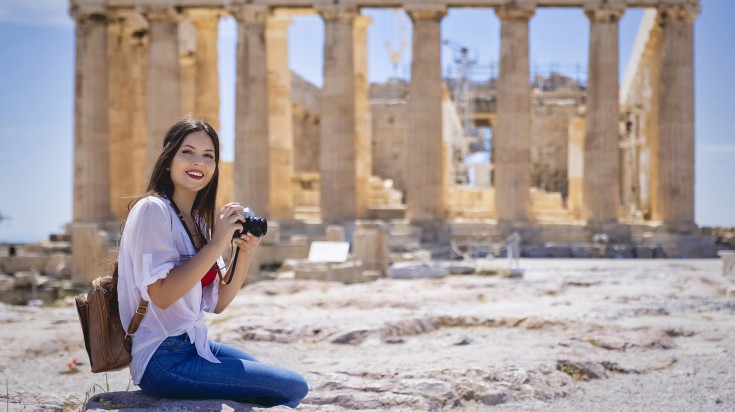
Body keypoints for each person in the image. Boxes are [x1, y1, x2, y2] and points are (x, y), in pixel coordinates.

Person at [116, 118, 308, 408]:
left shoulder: (199, 222)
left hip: (194, 344)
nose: (199, 163)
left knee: (269, 380)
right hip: (161, 357)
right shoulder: (152, 210)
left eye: (209, 156)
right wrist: (218, 243)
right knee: (293, 386)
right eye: (188, 152)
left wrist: (244, 252)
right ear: (168, 160)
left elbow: (218, 303)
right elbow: (162, 295)